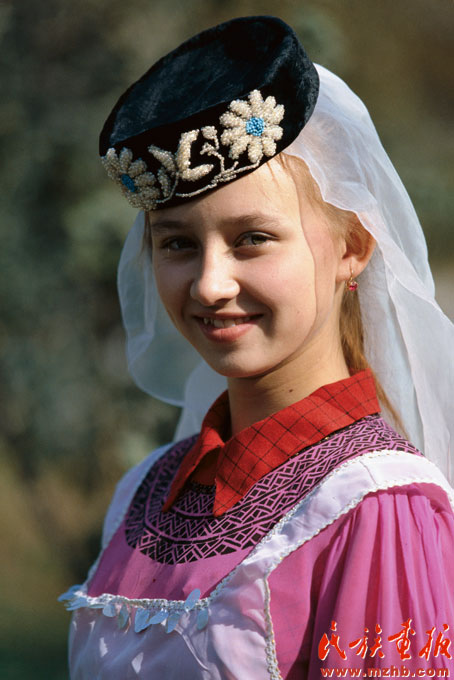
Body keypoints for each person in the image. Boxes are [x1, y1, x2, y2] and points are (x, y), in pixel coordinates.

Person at [60, 16, 454, 679]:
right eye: (177, 243)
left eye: (252, 239)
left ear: (353, 247)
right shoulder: (143, 493)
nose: (210, 285)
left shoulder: (374, 506)